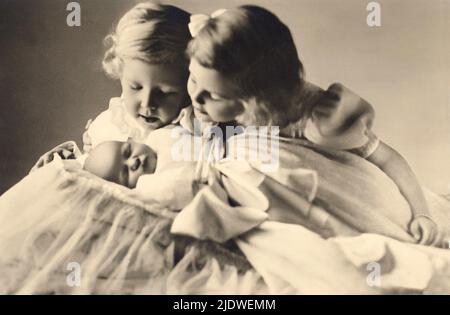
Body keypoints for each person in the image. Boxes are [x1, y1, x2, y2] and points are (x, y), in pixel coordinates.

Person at [185, 5, 438, 245]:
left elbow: (387, 159)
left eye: (214, 95)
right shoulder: (215, 110)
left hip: (343, 206)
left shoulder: (324, 122)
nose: (196, 98)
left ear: (256, 101)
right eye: (193, 79)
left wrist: (422, 213)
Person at [31, 1, 191, 170]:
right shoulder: (115, 121)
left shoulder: (193, 133)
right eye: (135, 87)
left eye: (165, 92)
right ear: (120, 73)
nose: (147, 103)